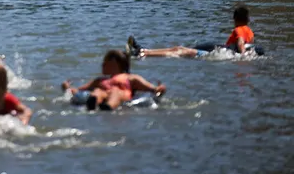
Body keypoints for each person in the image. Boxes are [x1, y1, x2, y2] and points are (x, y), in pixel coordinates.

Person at [127, 6, 257, 58]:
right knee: (178, 49)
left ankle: (142, 52)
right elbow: (244, 43)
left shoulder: (239, 29)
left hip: (210, 53)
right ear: (247, 19)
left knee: (179, 50)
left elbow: (240, 42)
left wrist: (243, 56)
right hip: (216, 51)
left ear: (235, 19)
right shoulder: (250, 32)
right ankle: (143, 51)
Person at [62, 50, 166, 111]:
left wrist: (159, 89)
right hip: (103, 95)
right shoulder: (99, 80)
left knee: (115, 92)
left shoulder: (130, 78)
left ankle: (107, 107)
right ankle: (93, 104)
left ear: (115, 64)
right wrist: (67, 88)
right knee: (97, 92)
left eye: (105, 63)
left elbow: (151, 88)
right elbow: (79, 90)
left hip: (120, 95)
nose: (102, 65)